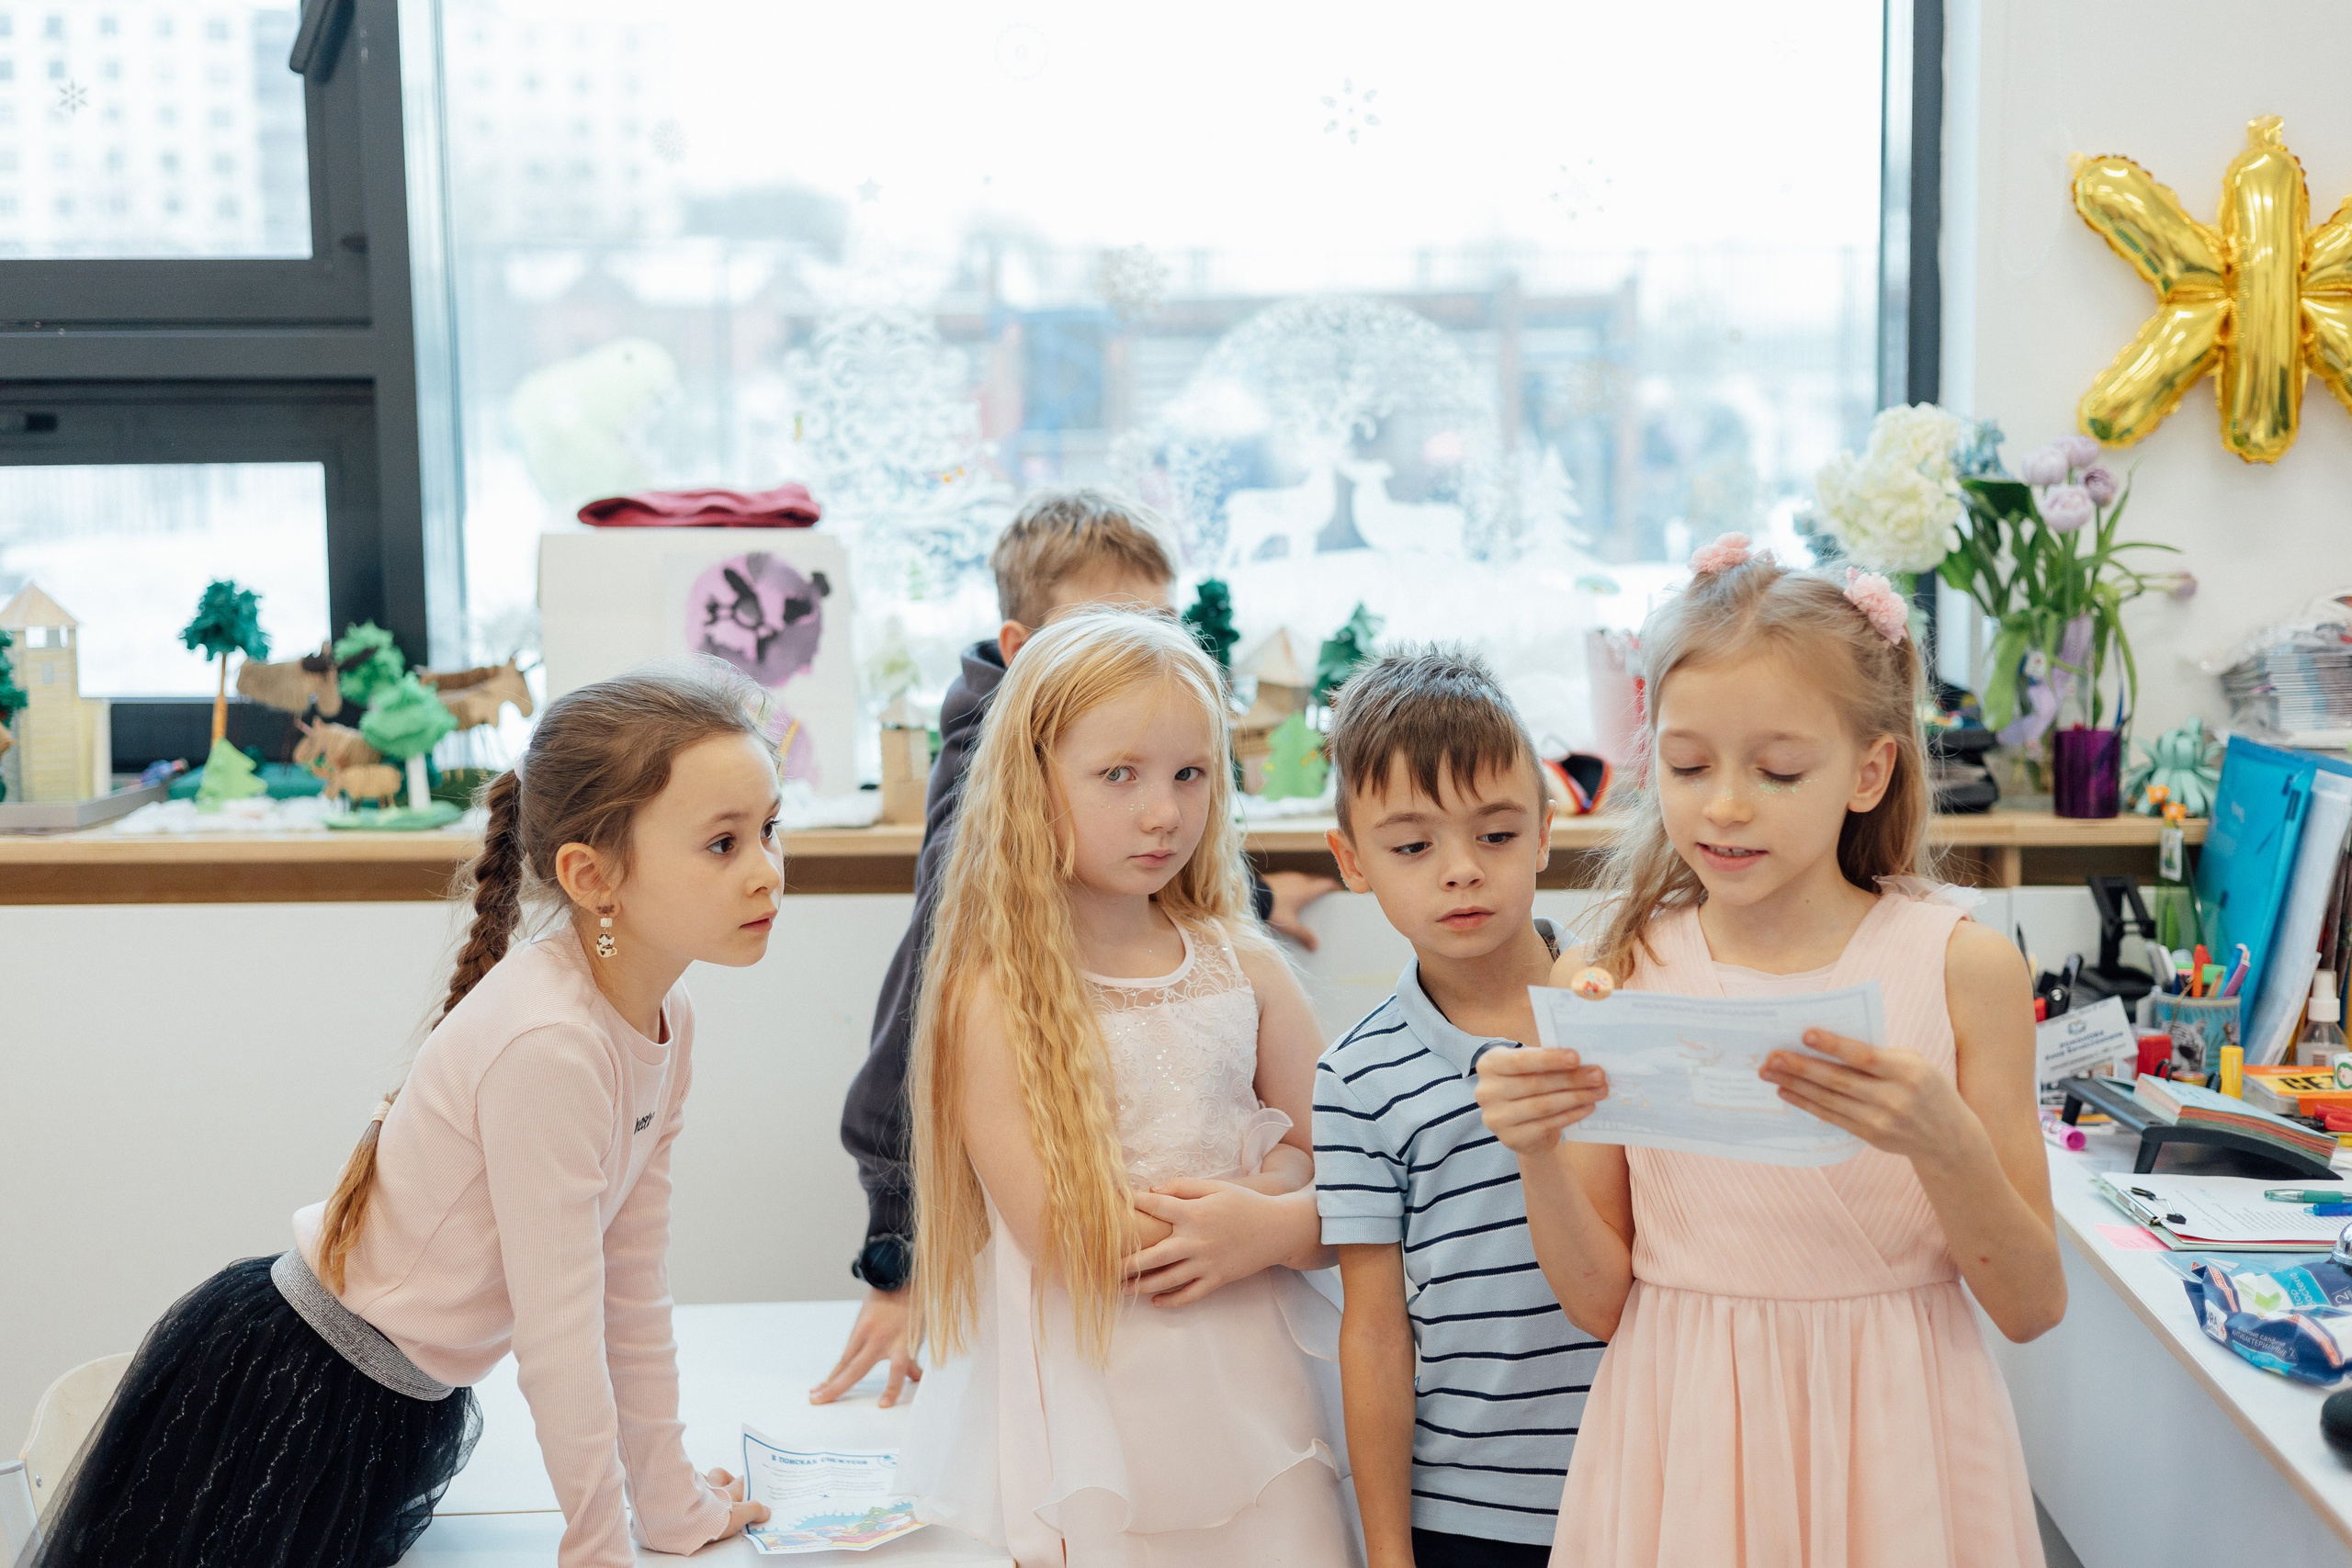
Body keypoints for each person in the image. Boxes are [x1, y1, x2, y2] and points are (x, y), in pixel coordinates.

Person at [34, 665, 783, 1568]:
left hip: (392, 1401)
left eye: (770, 831)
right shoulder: (551, 1045)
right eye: (723, 844)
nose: (766, 873)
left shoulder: (665, 1019)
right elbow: (559, 1333)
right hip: (303, 1403)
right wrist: (598, 1547)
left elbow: (628, 1281)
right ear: (592, 876)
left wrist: (667, 1508)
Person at [1475, 536, 2064, 1568]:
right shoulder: (1611, 975)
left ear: (1868, 770)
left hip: (1902, 1441)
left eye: (1778, 769)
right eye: (1689, 766)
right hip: (1684, 1438)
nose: (1726, 804)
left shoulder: (1961, 968)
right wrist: (1533, 1150)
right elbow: (1598, 1301)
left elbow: (2030, 1305)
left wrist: (1945, 1143)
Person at [820, 486, 1336, 1407]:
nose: (1162, 806)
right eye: (1106, 626)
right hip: (1096, 1360)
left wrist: (1252, 900)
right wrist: (896, 1258)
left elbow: (1333, 1152)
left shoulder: (1230, 952)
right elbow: (908, 1053)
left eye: (1190, 775)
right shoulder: (983, 837)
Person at [895, 609, 1349, 1565]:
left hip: (1261, 1392)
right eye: (1119, 776)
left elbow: (1356, 1175)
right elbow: (1063, 1233)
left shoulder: (1244, 967)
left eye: (1190, 775)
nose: (1164, 812)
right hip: (1096, 1409)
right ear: (1031, 783)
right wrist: (1263, 1188)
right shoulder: (996, 997)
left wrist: (1269, 1225)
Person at [1313, 649, 1605, 1568]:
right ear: (1351, 861)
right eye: (1411, 846)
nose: (1459, 873)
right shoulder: (1356, 1075)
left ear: (1545, 831)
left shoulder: (1620, 1010)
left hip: (1644, 1476)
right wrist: (1389, 1551)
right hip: (1465, 1515)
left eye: (1495, 835)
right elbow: (1372, 1330)